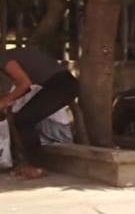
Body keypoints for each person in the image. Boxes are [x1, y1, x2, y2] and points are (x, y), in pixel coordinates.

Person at [0, 46, 80, 179]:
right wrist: (7, 102)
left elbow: (25, 84)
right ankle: (27, 163)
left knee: (24, 120)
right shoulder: (10, 56)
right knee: (22, 118)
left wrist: (4, 101)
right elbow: (24, 88)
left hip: (61, 86)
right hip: (59, 84)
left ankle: (35, 165)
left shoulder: (3, 58)